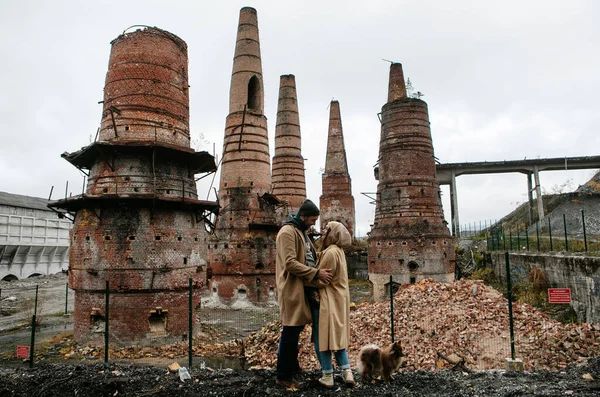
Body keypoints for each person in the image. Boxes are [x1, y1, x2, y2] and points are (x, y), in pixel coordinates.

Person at [275, 199, 333, 389]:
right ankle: (284, 376)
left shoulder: (301, 232)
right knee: (290, 331)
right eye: (313, 219)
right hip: (292, 288)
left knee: (296, 329)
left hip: (303, 287)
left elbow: (309, 257)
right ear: (304, 216)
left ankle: (293, 367)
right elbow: (290, 263)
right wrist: (316, 273)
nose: (314, 223)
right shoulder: (287, 232)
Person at [307, 221, 355, 388]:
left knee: (323, 339)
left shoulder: (330, 253)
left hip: (327, 301)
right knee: (338, 336)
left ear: (333, 233)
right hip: (338, 299)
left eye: (327, 229)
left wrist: (306, 281)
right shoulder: (339, 251)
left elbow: (322, 280)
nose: (323, 231)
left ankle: (327, 376)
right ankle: (347, 372)